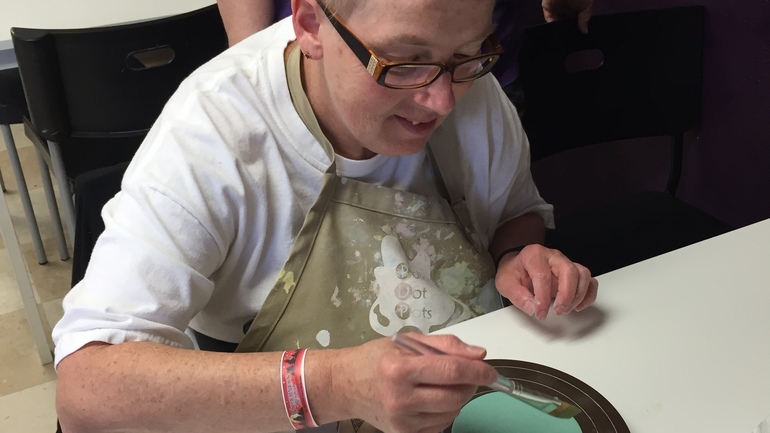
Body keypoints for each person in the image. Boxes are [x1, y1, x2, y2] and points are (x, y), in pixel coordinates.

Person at [53, 0, 598, 432]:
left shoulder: (472, 89)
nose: (442, 102)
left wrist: (517, 253)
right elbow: (86, 390)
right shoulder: (214, 133)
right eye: (404, 64)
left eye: (468, 56)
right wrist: (333, 386)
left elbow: (515, 212)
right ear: (311, 23)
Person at [216, 0, 595, 91]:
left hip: (479, 66)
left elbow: (513, 212)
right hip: (328, 63)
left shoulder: (481, 103)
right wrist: (255, 71)